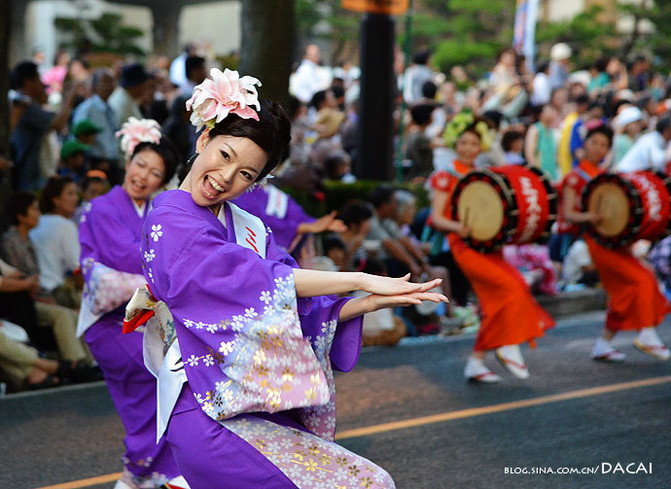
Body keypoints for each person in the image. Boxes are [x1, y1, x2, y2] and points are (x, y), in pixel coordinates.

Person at [124, 68, 446, 488]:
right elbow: (255, 282)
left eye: (246, 174)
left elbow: (296, 302)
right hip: (206, 406)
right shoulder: (171, 217)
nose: (227, 176)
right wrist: (361, 278)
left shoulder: (248, 225)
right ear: (204, 139)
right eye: (225, 155)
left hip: (249, 405)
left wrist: (366, 302)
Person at [77, 118, 185, 489]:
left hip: (140, 320)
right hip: (111, 324)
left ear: (163, 181)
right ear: (128, 160)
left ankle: (150, 474)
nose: (143, 175)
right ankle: (140, 471)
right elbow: (128, 256)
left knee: (166, 385)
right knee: (155, 386)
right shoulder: (102, 207)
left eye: (155, 172)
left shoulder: (153, 210)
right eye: (140, 164)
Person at [428, 117, 553, 383]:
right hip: (464, 246)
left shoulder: (484, 174)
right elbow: (436, 217)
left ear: (480, 147)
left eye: (474, 143)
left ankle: (476, 362)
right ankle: (507, 345)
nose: (467, 148)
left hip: (488, 245)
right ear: (455, 144)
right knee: (508, 290)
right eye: (463, 142)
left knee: (510, 290)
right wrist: (457, 226)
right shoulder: (445, 175)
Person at [559, 124, 671, 362]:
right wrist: (591, 217)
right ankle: (647, 334)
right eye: (594, 142)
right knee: (640, 279)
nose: (598, 148)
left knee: (626, 292)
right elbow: (569, 214)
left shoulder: (606, 176)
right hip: (596, 241)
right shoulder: (574, 177)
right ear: (584, 145)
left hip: (615, 242)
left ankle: (603, 344)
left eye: (604, 145)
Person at [9, 61, 77, 191]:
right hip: (31, 179)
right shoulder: (24, 106)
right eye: (38, 79)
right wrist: (70, 95)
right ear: (28, 82)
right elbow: (57, 124)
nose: (42, 85)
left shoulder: (25, 103)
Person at [71, 68, 121, 183]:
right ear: (96, 85)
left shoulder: (111, 109)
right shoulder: (87, 109)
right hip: (96, 163)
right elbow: (78, 138)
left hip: (112, 163)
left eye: (112, 82)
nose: (110, 86)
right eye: (106, 82)